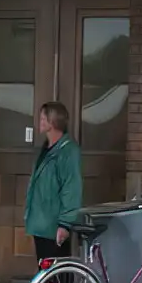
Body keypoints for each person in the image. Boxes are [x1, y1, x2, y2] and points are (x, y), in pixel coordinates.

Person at [23, 97, 82, 262]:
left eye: (43, 118)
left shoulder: (68, 151)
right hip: (41, 223)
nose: (40, 122)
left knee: (57, 277)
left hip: (54, 225)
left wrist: (65, 224)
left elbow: (71, 188)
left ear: (53, 122)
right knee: (45, 272)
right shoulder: (46, 149)